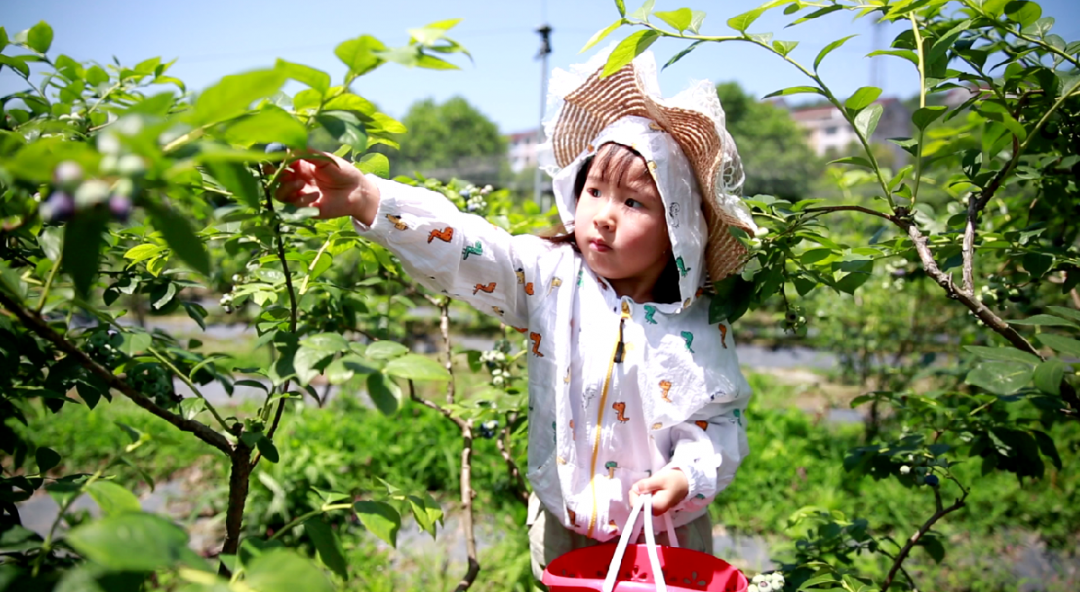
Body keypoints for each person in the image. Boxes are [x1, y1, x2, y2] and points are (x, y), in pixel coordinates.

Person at [274, 49, 756, 581]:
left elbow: (718, 422)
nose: (604, 216)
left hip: (666, 537)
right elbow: (469, 246)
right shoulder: (551, 277)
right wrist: (369, 195)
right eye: (594, 191)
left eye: (634, 203)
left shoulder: (696, 320)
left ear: (679, 227)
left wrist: (686, 477)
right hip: (566, 525)